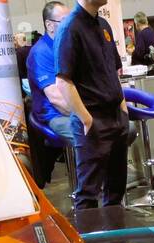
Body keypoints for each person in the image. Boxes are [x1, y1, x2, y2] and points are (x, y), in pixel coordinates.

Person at [56, 0, 130, 210]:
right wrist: (86, 119)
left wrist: (122, 110)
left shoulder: (104, 25)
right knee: (88, 193)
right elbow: (63, 81)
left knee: (116, 190)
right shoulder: (70, 27)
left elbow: (114, 72)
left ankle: (118, 242)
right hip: (92, 120)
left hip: (115, 117)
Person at [28, 2, 74, 189]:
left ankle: (110, 189)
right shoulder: (40, 53)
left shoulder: (68, 48)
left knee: (122, 129)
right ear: (50, 25)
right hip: (55, 115)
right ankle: (89, 196)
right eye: (64, 21)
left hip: (74, 110)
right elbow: (57, 100)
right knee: (94, 135)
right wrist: (87, 116)